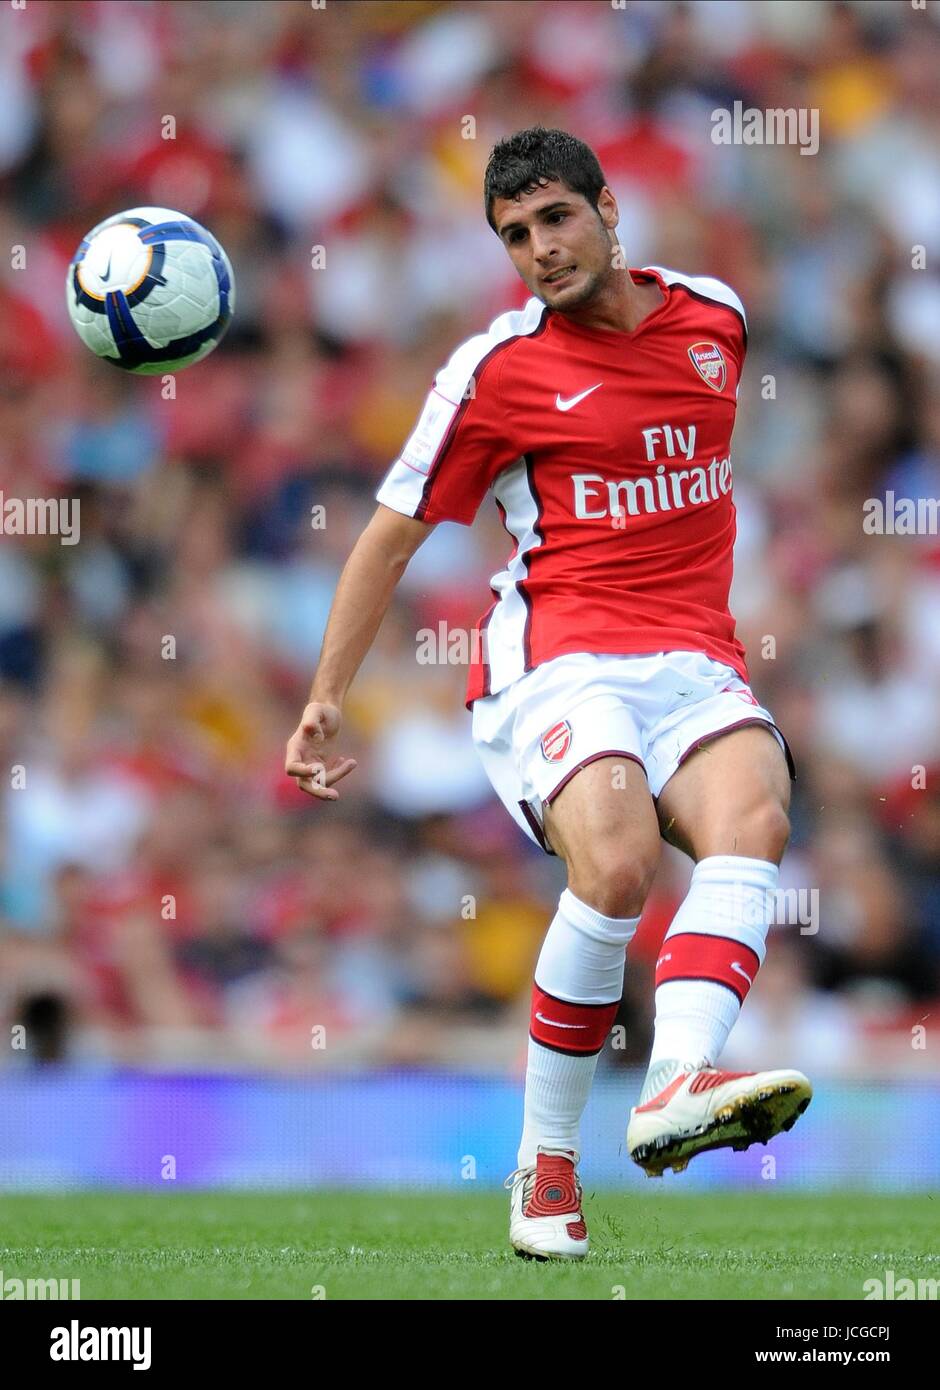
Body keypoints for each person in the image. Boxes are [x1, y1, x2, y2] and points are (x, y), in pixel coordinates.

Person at [285, 127, 811, 1261]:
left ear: (609, 210)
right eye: (515, 235)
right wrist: (327, 694)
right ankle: (545, 1164)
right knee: (617, 860)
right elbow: (385, 541)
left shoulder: (715, 317)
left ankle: (675, 1080)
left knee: (757, 815)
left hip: (693, 657)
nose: (539, 248)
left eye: (556, 218)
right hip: (557, 658)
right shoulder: (495, 371)